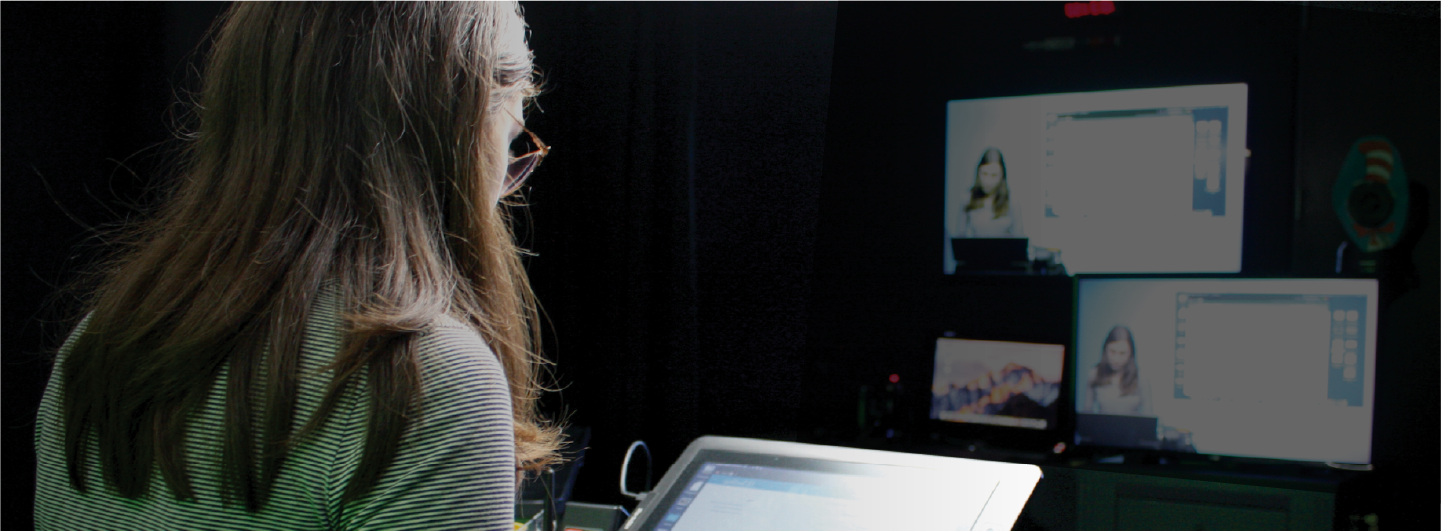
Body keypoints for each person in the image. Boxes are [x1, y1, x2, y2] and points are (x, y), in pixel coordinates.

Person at [34, 3, 561, 529]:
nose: (499, 192)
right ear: (452, 140)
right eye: (512, 148)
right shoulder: (429, 379)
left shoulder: (96, 344)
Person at [951, 148, 1024, 238]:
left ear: (1002, 176)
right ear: (978, 172)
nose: (988, 181)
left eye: (994, 175)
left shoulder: (1012, 200)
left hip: (1004, 252)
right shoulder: (968, 198)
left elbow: (1020, 239)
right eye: (984, 174)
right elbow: (960, 238)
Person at [1084, 325, 1153, 416]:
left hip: (1132, 430)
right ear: (1105, 350)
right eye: (1112, 352)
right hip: (1102, 429)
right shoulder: (1095, 374)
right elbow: (1086, 413)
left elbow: (1148, 416)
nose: (1116, 359)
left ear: (1130, 354)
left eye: (1122, 353)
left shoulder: (1141, 378)